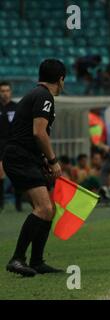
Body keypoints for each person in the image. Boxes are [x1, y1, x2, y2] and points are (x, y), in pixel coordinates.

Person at [3, 59, 66, 276]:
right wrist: (52, 160)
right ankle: (17, 258)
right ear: (61, 79)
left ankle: (37, 261)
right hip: (20, 157)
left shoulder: (35, 94)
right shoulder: (44, 96)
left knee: (49, 209)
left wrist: (42, 160)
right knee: (44, 209)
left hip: (24, 157)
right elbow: (38, 132)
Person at [0, 81, 23, 212]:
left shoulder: (17, 107)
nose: (5, 93)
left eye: (7, 90)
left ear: (11, 92)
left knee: (17, 175)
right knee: (0, 175)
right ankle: (1, 203)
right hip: (0, 146)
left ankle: (18, 204)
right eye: (2, 91)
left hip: (14, 145)